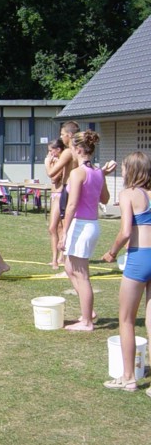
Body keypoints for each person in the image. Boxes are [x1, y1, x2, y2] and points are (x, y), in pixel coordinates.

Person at [102, 152, 151, 393]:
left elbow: (125, 232)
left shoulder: (128, 194)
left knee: (126, 320)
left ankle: (129, 377)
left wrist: (111, 252)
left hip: (139, 257)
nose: (121, 171)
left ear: (131, 170)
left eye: (123, 167)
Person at [58, 130, 110, 331]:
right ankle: (88, 311)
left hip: (81, 225)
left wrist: (63, 234)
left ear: (78, 149)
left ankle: (87, 321)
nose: (70, 152)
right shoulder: (97, 173)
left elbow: (71, 206)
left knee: (81, 274)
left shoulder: (77, 173)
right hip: (90, 225)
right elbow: (104, 198)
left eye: (71, 148)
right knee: (70, 268)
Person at [44, 139, 66, 269]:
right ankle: (55, 258)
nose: (49, 154)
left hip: (60, 195)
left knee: (58, 227)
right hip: (54, 195)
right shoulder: (55, 161)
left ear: (58, 150)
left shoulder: (62, 161)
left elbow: (53, 178)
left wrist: (48, 164)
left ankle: (60, 258)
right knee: (54, 227)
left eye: (51, 150)